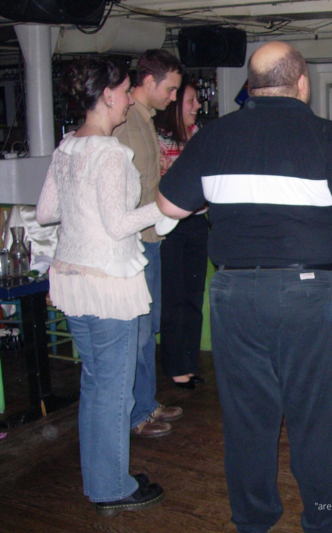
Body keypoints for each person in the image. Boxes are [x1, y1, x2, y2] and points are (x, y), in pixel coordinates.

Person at [157, 41, 332, 533]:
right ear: (303, 84)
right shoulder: (326, 137)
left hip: (234, 295)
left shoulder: (214, 137)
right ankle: (327, 521)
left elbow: (168, 206)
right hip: (310, 296)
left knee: (247, 421)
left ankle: (253, 518)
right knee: (317, 419)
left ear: (250, 85)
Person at [36, 58, 175, 515]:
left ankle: (103, 479)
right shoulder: (111, 152)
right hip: (108, 283)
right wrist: (166, 207)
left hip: (73, 281)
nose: (131, 96)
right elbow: (119, 226)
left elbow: (46, 213)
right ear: (109, 95)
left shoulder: (68, 147)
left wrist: (86, 212)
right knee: (112, 389)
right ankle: (113, 486)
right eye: (126, 89)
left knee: (97, 385)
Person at [113, 49, 184, 438]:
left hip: (152, 238)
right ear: (148, 82)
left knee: (147, 328)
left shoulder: (144, 122)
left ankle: (145, 403)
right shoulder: (127, 127)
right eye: (170, 89)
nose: (173, 98)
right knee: (139, 332)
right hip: (137, 243)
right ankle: (137, 414)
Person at [155, 79, 208, 389]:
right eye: (191, 100)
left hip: (198, 222)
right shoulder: (158, 138)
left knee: (193, 296)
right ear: (176, 105)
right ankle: (175, 366)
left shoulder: (198, 136)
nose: (197, 106)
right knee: (174, 298)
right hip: (170, 227)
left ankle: (188, 364)